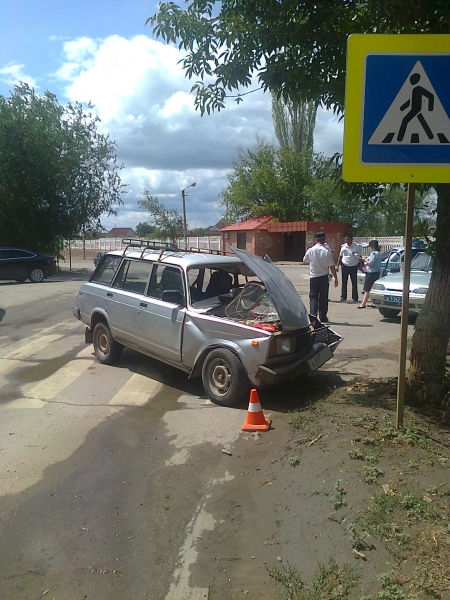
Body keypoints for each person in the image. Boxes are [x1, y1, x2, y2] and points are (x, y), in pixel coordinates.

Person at [303, 231, 338, 322]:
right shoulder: (327, 251)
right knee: (323, 297)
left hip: (314, 276)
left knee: (313, 297)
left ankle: (313, 317)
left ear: (315, 239)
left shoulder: (311, 250)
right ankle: (323, 317)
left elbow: (305, 260)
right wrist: (336, 278)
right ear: (324, 239)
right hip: (323, 277)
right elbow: (331, 266)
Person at [336, 233, 361, 302]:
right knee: (344, 282)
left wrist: (360, 266)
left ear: (351, 239)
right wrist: (337, 265)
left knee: (354, 282)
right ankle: (343, 296)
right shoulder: (343, 246)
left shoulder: (356, 247)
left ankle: (355, 297)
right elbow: (340, 256)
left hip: (353, 266)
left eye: (348, 239)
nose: (347, 241)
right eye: (346, 239)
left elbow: (360, 257)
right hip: (345, 266)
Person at [358, 240, 382, 309]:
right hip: (375, 272)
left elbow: (371, 263)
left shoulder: (374, 254)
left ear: (372, 247)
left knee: (367, 289)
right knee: (372, 289)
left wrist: (364, 260)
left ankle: (363, 303)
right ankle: (373, 302)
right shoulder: (378, 253)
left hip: (371, 273)